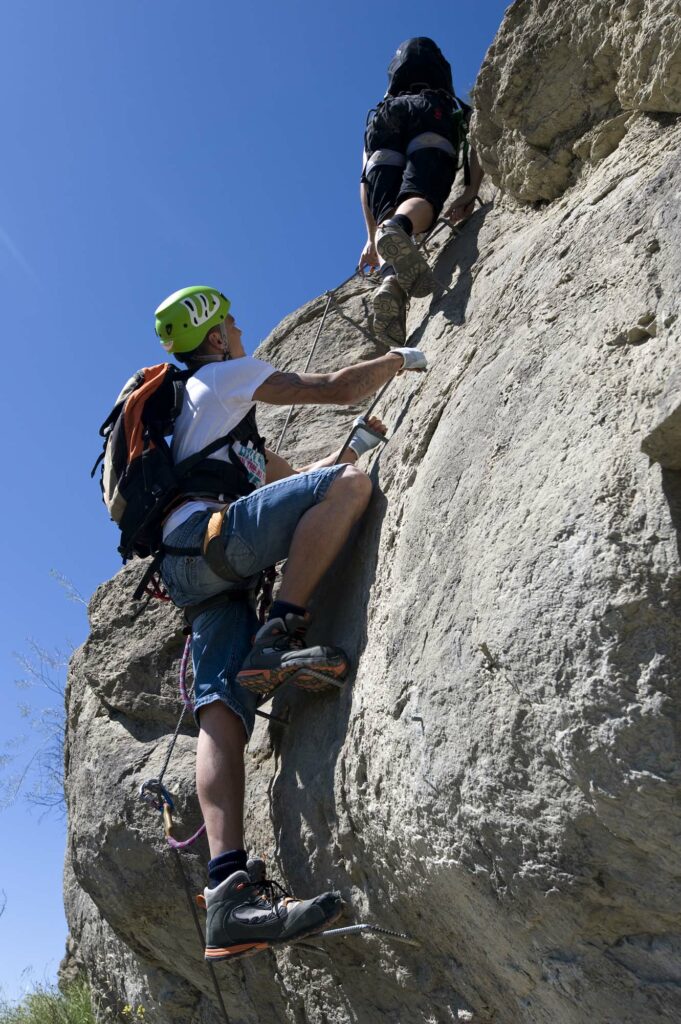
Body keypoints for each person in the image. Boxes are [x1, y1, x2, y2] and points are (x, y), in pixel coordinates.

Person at [154, 285, 428, 961]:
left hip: (193, 564)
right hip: (211, 541)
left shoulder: (222, 432)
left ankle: (228, 898)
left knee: (222, 708)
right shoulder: (221, 377)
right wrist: (400, 359)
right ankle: (279, 631)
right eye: (231, 326)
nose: (240, 333)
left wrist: (354, 445)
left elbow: (307, 482)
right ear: (214, 337)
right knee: (354, 491)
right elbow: (334, 387)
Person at [358, 37, 485, 347]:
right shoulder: (448, 101)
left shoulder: (382, 107)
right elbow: (479, 137)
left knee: (389, 209)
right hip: (431, 116)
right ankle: (399, 228)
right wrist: (471, 190)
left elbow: (365, 179)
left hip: (383, 130)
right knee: (420, 196)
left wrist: (371, 236)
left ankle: (392, 283)